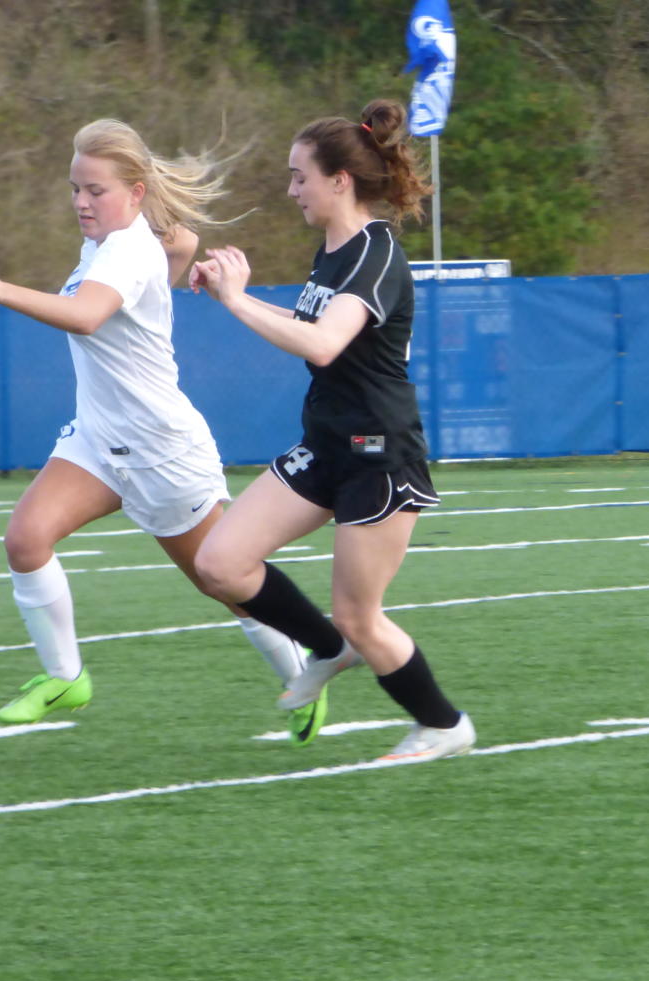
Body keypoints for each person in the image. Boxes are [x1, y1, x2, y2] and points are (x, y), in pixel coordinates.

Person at [0, 118, 327, 744]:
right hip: (98, 441)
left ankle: (304, 672)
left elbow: (87, 316)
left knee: (223, 581)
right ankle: (66, 678)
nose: (80, 202)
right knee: (26, 539)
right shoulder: (117, 242)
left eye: (95, 190)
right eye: (75, 188)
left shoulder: (124, 248)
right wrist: (177, 270)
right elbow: (183, 239)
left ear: (136, 192)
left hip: (159, 450)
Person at [189, 98, 475, 763]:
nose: (291, 190)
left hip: (378, 456)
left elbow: (321, 344)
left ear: (339, 180)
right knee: (219, 564)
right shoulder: (334, 252)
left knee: (360, 616)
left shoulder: (375, 252)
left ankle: (442, 724)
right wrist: (234, 293)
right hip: (326, 446)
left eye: (299, 177)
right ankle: (325, 649)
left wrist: (236, 299)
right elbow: (311, 332)